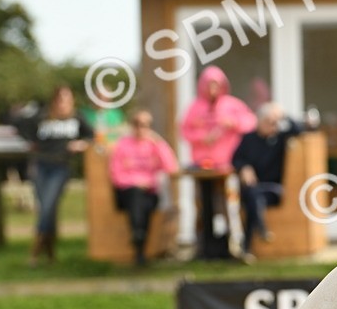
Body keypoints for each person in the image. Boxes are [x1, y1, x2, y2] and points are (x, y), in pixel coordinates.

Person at [180, 66, 257, 258]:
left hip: (227, 167)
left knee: (228, 205)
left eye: (216, 85)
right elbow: (184, 130)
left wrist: (234, 123)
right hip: (203, 168)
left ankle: (234, 245)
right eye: (209, 85)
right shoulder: (195, 107)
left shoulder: (232, 105)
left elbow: (251, 122)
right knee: (201, 205)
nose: (212, 89)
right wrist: (202, 137)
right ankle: (203, 246)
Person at [17, 85, 94, 265]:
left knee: (47, 207)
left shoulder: (77, 118)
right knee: (46, 209)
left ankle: (34, 252)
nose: (63, 103)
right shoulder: (42, 116)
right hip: (41, 166)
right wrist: (31, 143)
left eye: (67, 99)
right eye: (60, 99)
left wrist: (81, 144)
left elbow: (91, 136)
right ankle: (51, 254)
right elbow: (21, 126)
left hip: (60, 168)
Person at [231, 102, 307, 255]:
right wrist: (244, 167)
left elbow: (299, 130)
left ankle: (250, 242)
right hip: (253, 188)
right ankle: (260, 230)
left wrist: (283, 115)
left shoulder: (280, 138)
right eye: (269, 122)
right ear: (259, 121)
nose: (273, 126)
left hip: (273, 189)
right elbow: (236, 159)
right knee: (253, 196)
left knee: (254, 198)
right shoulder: (248, 139)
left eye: (275, 122)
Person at [108, 110, 179, 265]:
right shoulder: (122, 145)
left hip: (149, 193)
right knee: (136, 197)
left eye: (146, 125)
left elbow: (171, 167)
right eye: (138, 124)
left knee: (143, 203)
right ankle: (140, 243)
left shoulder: (154, 145)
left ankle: (138, 238)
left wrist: (159, 142)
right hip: (127, 191)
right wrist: (135, 182)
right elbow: (116, 174)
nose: (141, 128)